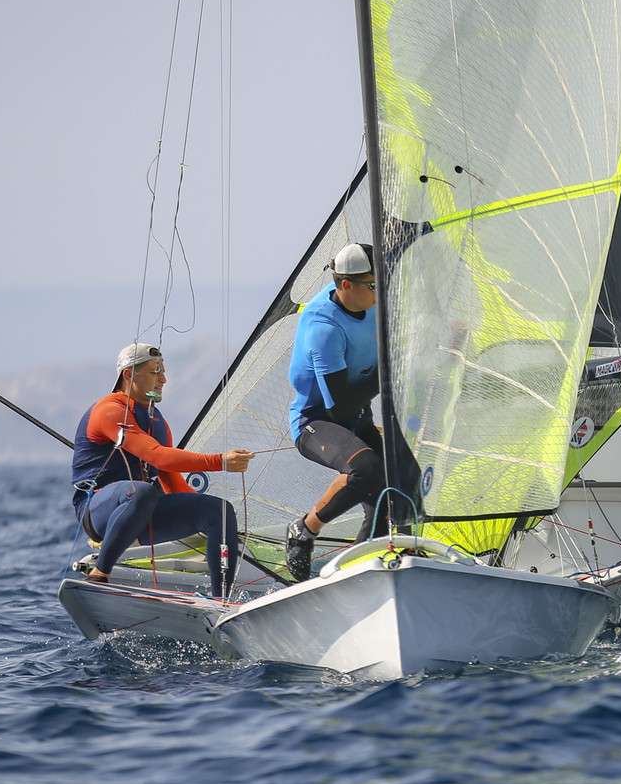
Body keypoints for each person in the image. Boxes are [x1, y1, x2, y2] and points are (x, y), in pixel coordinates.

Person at [71, 343, 253, 596]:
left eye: (163, 371)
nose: (164, 379)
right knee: (143, 492)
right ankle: (99, 575)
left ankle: (221, 601)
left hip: (142, 509)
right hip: (98, 511)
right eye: (156, 372)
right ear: (129, 375)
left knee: (219, 511)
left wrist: (225, 531)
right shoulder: (109, 411)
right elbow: (159, 458)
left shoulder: (157, 422)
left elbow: (172, 483)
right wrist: (220, 461)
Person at [284, 242, 414, 581]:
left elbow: (397, 249)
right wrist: (385, 373)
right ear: (345, 285)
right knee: (368, 470)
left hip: (358, 414)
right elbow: (339, 405)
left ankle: (358, 570)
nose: (380, 291)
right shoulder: (324, 328)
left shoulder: (368, 294)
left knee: (398, 480)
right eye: (373, 284)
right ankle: (303, 531)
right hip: (318, 420)